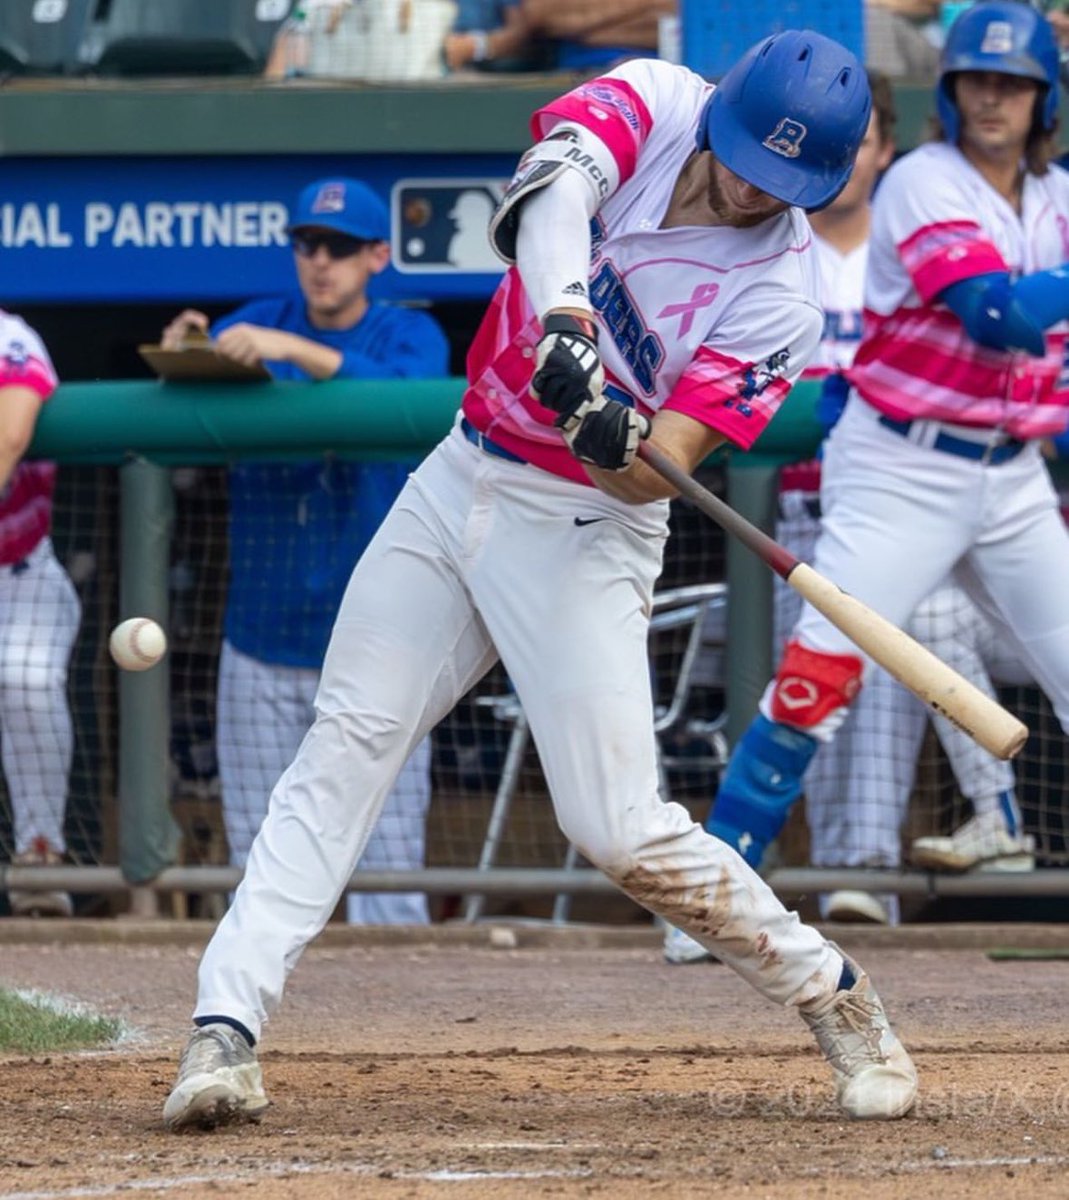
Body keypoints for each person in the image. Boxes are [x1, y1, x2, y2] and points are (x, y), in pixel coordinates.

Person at [162, 32, 919, 1132]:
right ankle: (224, 1028)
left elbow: (650, 474)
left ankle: (833, 995)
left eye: (783, 177)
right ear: (725, 113)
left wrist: (606, 430)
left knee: (613, 826)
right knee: (346, 742)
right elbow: (553, 193)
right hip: (461, 468)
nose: (754, 184)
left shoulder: (783, 294)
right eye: (748, 153)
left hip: (581, 525)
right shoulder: (658, 99)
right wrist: (567, 322)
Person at [688, 2, 1069, 941]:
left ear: (1040, 96)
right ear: (949, 90)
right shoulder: (919, 181)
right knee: (818, 676)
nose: (992, 97)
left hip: (1012, 474)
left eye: (1011, 82)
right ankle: (709, 901)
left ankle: (998, 820)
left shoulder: (1056, 198)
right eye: (977, 79)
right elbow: (997, 315)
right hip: (903, 464)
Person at [160, 176, 449, 926]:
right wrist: (187, 347)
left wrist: (294, 350)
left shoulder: (408, 333)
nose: (320, 261)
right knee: (259, 865)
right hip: (260, 642)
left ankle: (403, 1038)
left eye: (340, 247)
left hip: (380, 647)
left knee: (388, 876)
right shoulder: (256, 321)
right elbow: (188, 383)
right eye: (307, 245)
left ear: (377, 256)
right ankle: (253, 1023)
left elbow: (411, 395)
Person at [0, 311, 81, 918]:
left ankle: (39, 854)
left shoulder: (12, 337)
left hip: (19, 574)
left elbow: (10, 433)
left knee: (26, 680)